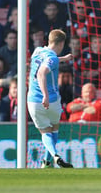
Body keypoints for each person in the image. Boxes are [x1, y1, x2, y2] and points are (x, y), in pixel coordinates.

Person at [27, 29, 73, 168]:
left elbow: (49, 60)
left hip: (34, 101)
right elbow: (42, 73)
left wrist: (63, 59)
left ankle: (48, 161)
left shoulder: (37, 51)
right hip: (51, 99)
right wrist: (46, 95)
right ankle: (53, 157)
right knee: (53, 129)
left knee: (46, 131)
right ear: (61, 43)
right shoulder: (52, 58)